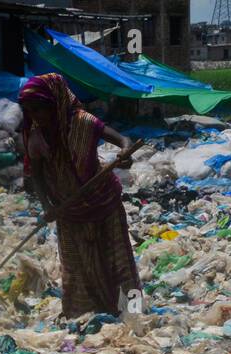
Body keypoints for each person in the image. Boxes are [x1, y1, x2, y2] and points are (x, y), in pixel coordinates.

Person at [17, 73, 140, 318]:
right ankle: (85, 315)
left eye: (40, 109)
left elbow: (122, 139)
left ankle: (129, 311)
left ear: (55, 104)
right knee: (78, 265)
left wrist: (125, 152)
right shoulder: (37, 137)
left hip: (103, 200)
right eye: (30, 111)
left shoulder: (84, 122)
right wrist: (46, 206)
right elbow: (37, 176)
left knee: (114, 258)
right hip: (68, 209)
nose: (36, 116)